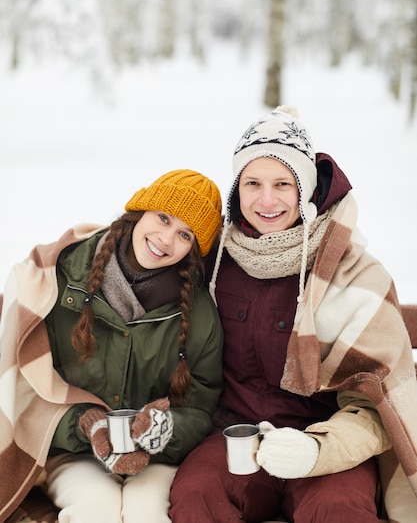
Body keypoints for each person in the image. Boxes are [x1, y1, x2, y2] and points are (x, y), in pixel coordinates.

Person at [169, 107, 417, 523]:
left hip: (326, 440)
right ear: (236, 190)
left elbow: (378, 402)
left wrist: (317, 449)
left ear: (305, 189)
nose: (267, 201)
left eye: (283, 184)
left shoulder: (353, 271)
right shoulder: (211, 263)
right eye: (253, 183)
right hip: (235, 436)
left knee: (339, 511)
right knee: (197, 497)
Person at [0, 169, 224, 523]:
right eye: (162, 218)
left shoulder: (199, 314)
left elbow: (199, 407)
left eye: (184, 234)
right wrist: (86, 427)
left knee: (146, 514)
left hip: (156, 458)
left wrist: (163, 431)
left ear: (194, 249)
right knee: (95, 510)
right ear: (140, 211)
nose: (165, 240)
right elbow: (20, 386)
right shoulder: (59, 277)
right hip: (74, 452)